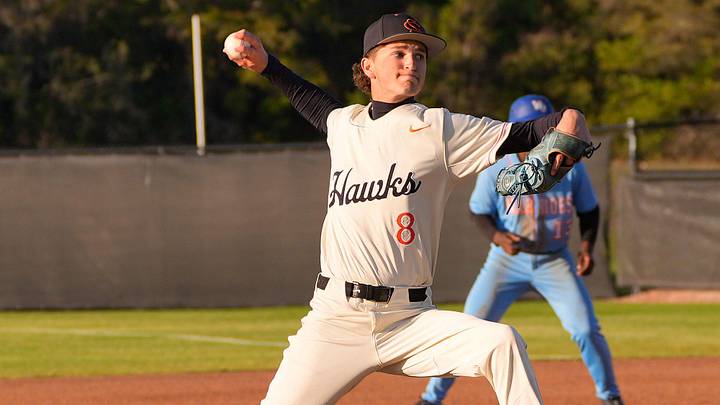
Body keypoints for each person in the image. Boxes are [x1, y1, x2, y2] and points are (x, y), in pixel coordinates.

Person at [224, 13, 595, 405]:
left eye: (419, 55)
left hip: (410, 318)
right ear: (368, 67)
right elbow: (307, 97)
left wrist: (572, 121)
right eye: (399, 52)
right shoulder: (344, 125)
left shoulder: (442, 129)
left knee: (501, 342)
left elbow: (542, 127)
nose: (412, 63)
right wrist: (267, 66)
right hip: (336, 320)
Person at [417, 94, 623, 405]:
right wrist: (498, 237)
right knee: (468, 326)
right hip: (506, 263)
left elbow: (590, 211)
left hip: (555, 260)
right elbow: (479, 212)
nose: (542, 136)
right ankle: (431, 399)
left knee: (586, 329)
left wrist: (586, 248)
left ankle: (610, 397)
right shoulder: (497, 166)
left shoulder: (570, 168)